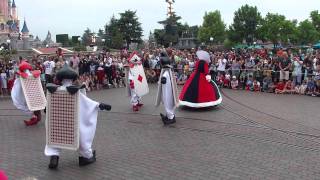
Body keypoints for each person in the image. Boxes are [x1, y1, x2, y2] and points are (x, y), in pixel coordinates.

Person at [44, 65, 111, 169]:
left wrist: (46, 109)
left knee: (54, 136)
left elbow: (48, 106)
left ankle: (54, 157)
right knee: (81, 134)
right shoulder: (74, 92)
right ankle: (85, 156)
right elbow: (88, 104)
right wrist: (100, 105)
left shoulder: (54, 91)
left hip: (57, 122)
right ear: (73, 79)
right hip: (71, 122)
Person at [11, 61, 46, 126]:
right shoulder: (33, 75)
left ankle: (34, 117)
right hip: (33, 94)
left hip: (29, 94)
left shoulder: (24, 76)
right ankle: (35, 117)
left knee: (27, 105)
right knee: (35, 106)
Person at [155, 51, 179, 125]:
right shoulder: (169, 72)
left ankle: (171, 118)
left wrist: (160, 81)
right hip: (168, 92)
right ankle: (169, 116)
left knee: (168, 103)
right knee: (169, 103)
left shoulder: (165, 74)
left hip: (167, 93)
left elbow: (163, 82)